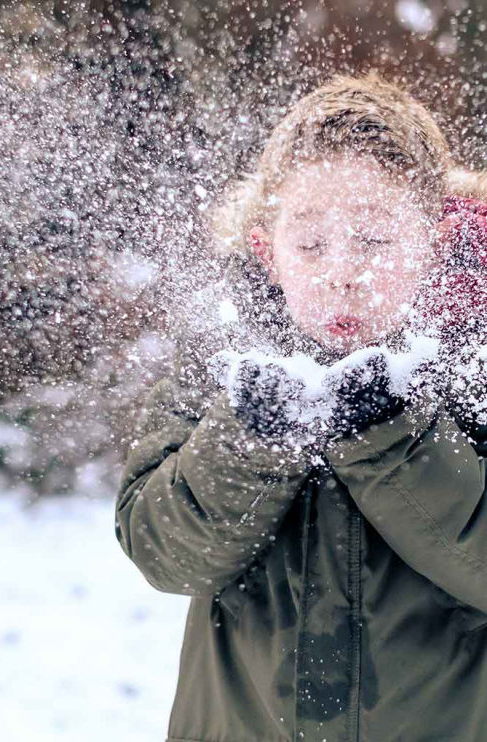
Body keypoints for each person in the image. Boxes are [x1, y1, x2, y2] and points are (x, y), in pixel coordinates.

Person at [115, 70, 487, 741]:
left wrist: (389, 434)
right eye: (310, 243)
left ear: (432, 241)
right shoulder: (221, 360)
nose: (342, 271)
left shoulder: (474, 360)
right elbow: (163, 553)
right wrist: (251, 437)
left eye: (374, 240)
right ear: (269, 249)